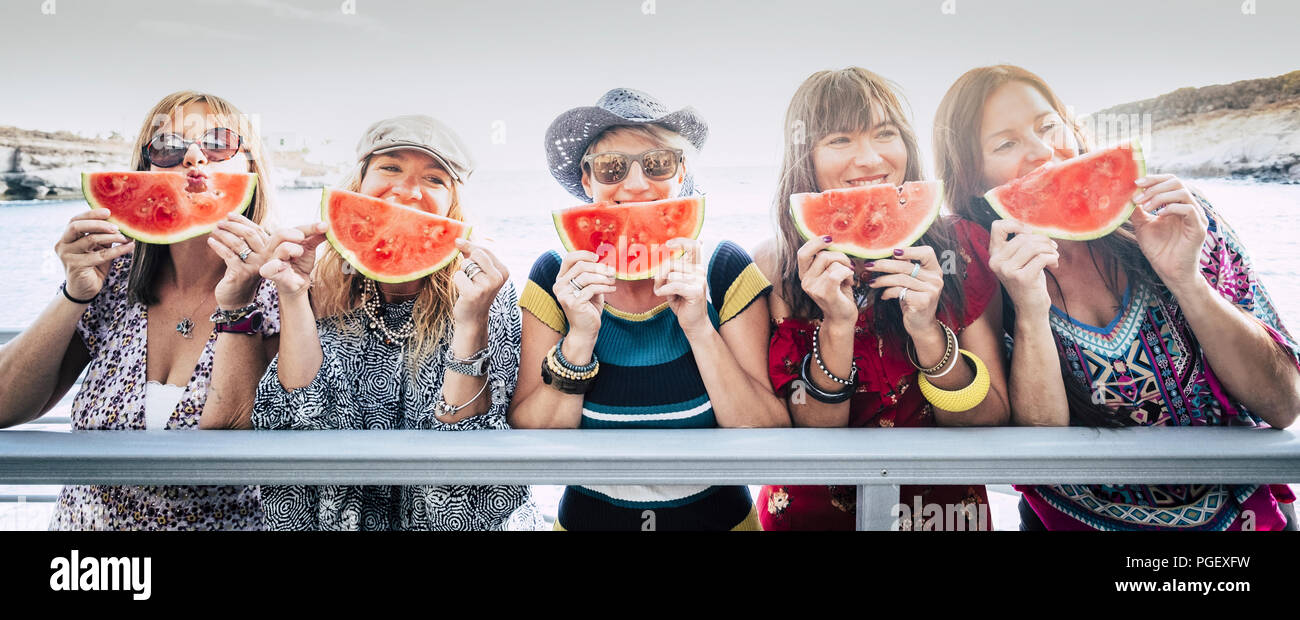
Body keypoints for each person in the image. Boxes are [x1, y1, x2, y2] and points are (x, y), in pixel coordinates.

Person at [933, 64, 1300, 530]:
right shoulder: (977, 270)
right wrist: (1029, 308)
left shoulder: (1178, 216)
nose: (1043, 152)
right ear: (972, 178)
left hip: (1239, 515)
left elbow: (1284, 403)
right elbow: (1039, 447)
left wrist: (1187, 281)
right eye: (1005, 144)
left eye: (1048, 126)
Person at [236, 115, 540, 531]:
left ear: (454, 204)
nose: (408, 191)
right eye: (390, 167)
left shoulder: (484, 288)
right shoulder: (321, 279)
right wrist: (292, 296)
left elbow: (465, 457)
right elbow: (300, 419)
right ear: (358, 183)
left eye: (435, 179)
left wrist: (471, 322)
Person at [509, 88, 788, 531]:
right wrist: (579, 338)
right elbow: (537, 438)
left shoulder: (724, 269)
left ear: (681, 173)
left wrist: (699, 327)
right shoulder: (553, 276)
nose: (637, 185)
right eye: (612, 167)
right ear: (587, 181)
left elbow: (763, 431)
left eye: (658, 163)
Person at [0, 91, 280, 530]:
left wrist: (238, 303)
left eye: (219, 143)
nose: (192, 158)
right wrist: (75, 293)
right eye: (167, 147)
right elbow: (3, 405)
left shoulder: (285, 288)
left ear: (252, 169)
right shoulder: (115, 279)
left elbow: (230, 442)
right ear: (144, 171)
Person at [752, 68, 1010, 531]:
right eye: (839, 140)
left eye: (885, 134)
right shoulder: (774, 268)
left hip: (946, 519)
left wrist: (928, 333)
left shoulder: (963, 248)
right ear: (803, 156)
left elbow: (986, 419)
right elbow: (814, 436)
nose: (869, 159)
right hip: (811, 520)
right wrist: (836, 325)